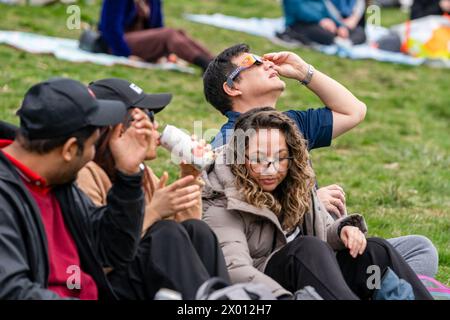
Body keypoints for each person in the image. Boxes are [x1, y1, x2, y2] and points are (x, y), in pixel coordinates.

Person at [202, 43, 438, 277]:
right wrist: (307, 203)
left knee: (420, 249)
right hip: (290, 261)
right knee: (389, 268)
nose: (266, 63)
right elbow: (240, 217)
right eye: (252, 61)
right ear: (232, 87)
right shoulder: (229, 143)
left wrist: (304, 71)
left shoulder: (290, 124)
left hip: (324, 241)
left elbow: (353, 111)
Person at [0, 78, 210, 300]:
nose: (93, 155)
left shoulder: (57, 185)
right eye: (93, 145)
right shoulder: (8, 195)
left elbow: (109, 249)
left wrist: (128, 178)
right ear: (70, 149)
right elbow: (13, 292)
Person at [202, 108, 433, 300]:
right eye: (259, 158)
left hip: (313, 274)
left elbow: (324, 232)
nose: (271, 168)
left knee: (374, 252)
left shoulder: (293, 182)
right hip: (268, 291)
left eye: (281, 157)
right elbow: (235, 270)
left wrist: (343, 230)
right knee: (307, 249)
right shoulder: (221, 198)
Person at [76, 78, 230, 299]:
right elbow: (93, 260)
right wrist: (153, 212)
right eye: (148, 118)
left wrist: (190, 173)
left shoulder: (142, 172)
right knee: (166, 232)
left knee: (198, 231)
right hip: (102, 287)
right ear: (117, 130)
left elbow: (187, 239)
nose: (155, 126)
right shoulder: (87, 174)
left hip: (142, 279)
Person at [99, 0, 214, 72]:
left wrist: (162, 52)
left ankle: (216, 61)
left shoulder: (153, 1)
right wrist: (126, 55)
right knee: (168, 34)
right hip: (121, 43)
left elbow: (158, 28)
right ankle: (205, 63)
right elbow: (110, 29)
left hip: (142, 42)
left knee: (178, 33)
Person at [277, 0, 367, 46]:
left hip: (325, 24)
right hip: (300, 24)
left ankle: (347, 43)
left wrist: (339, 26)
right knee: (326, 35)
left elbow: (327, 12)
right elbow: (300, 12)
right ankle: (338, 42)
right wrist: (320, 20)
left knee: (358, 31)